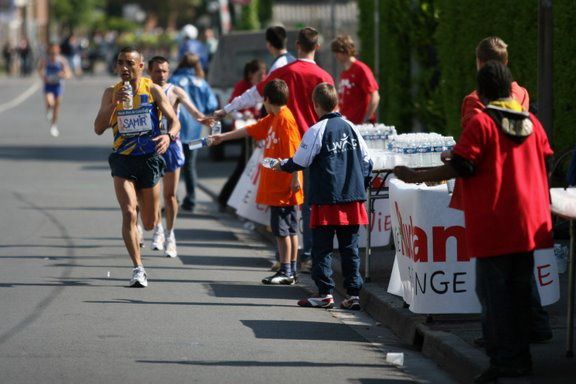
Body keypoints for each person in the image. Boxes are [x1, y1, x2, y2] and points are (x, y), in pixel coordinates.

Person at [394, 61, 553, 383]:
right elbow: (546, 157)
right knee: (520, 293)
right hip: (528, 223)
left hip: (495, 223)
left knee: (493, 296)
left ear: (481, 93)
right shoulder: (532, 122)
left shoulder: (483, 123)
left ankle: (502, 362)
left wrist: (417, 175)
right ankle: (521, 359)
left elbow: (463, 166)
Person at [450, 36, 553, 346]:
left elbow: (467, 157)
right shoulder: (528, 113)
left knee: (492, 286)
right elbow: (545, 157)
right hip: (526, 207)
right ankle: (530, 334)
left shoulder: (478, 111)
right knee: (521, 279)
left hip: (493, 205)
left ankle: (501, 348)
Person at [210, 27, 335, 275]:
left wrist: (227, 109)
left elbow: (253, 94)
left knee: (285, 208)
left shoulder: (283, 72)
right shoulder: (325, 76)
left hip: (288, 149)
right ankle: (308, 256)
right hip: (318, 146)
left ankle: (286, 261)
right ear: (317, 48)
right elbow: (333, 114)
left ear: (296, 46)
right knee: (312, 205)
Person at [271, 83, 372, 309]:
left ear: (315, 105)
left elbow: (300, 161)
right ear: (336, 102)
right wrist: (359, 187)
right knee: (350, 249)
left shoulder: (316, 130)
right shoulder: (352, 127)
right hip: (352, 198)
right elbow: (368, 162)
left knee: (322, 248)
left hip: (326, 197)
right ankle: (353, 295)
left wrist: (281, 166)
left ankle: (325, 293)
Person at [93, 47, 180, 287]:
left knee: (150, 222)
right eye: (120, 62)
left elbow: (174, 121)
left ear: (141, 66)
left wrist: (169, 137)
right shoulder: (111, 92)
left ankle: (146, 222)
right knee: (129, 212)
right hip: (122, 158)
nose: (124, 68)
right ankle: (138, 268)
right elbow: (98, 128)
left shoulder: (152, 89)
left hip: (149, 160)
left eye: (129, 63)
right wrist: (113, 105)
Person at [210, 79, 304, 284]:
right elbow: (251, 130)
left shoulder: (285, 120)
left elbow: (294, 153)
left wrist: (296, 179)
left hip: (283, 187)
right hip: (278, 186)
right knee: (288, 229)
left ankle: (286, 270)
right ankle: (290, 269)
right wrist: (223, 137)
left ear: (267, 99)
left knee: (283, 230)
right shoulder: (274, 118)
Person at [147, 56, 205, 257]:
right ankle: (158, 230)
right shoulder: (144, 91)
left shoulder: (175, 91)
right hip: (150, 147)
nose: (161, 75)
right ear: (149, 72)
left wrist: (208, 120)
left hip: (171, 145)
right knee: (153, 196)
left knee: (170, 195)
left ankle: (170, 235)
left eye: (164, 71)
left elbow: (195, 112)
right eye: (157, 71)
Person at [169, 53, 218, 212]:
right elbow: (212, 104)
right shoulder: (201, 82)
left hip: (175, 131)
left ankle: (171, 197)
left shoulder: (174, 81)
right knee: (190, 166)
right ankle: (191, 199)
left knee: (172, 165)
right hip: (195, 133)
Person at [217, 59, 267, 211]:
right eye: (260, 74)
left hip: (256, 129)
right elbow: (233, 108)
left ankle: (228, 199)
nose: (263, 77)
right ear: (251, 74)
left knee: (247, 166)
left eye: (264, 74)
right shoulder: (242, 86)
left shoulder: (262, 87)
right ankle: (226, 199)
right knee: (245, 165)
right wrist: (243, 116)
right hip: (244, 129)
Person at [331, 35, 380, 124]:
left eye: (337, 52)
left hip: (360, 126)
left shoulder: (361, 69)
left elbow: (375, 96)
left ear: (345, 51)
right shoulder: (344, 73)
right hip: (347, 123)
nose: (336, 56)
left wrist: (366, 119)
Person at [37, 44, 72, 137]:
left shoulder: (62, 61)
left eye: (55, 53)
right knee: (50, 102)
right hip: (48, 85)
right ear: (49, 52)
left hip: (58, 86)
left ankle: (53, 126)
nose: (53, 55)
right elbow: (39, 70)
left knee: (56, 107)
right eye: (52, 52)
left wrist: (63, 75)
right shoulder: (45, 60)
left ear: (58, 52)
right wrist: (43, 77)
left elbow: (68, 74)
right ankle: (49, 109)